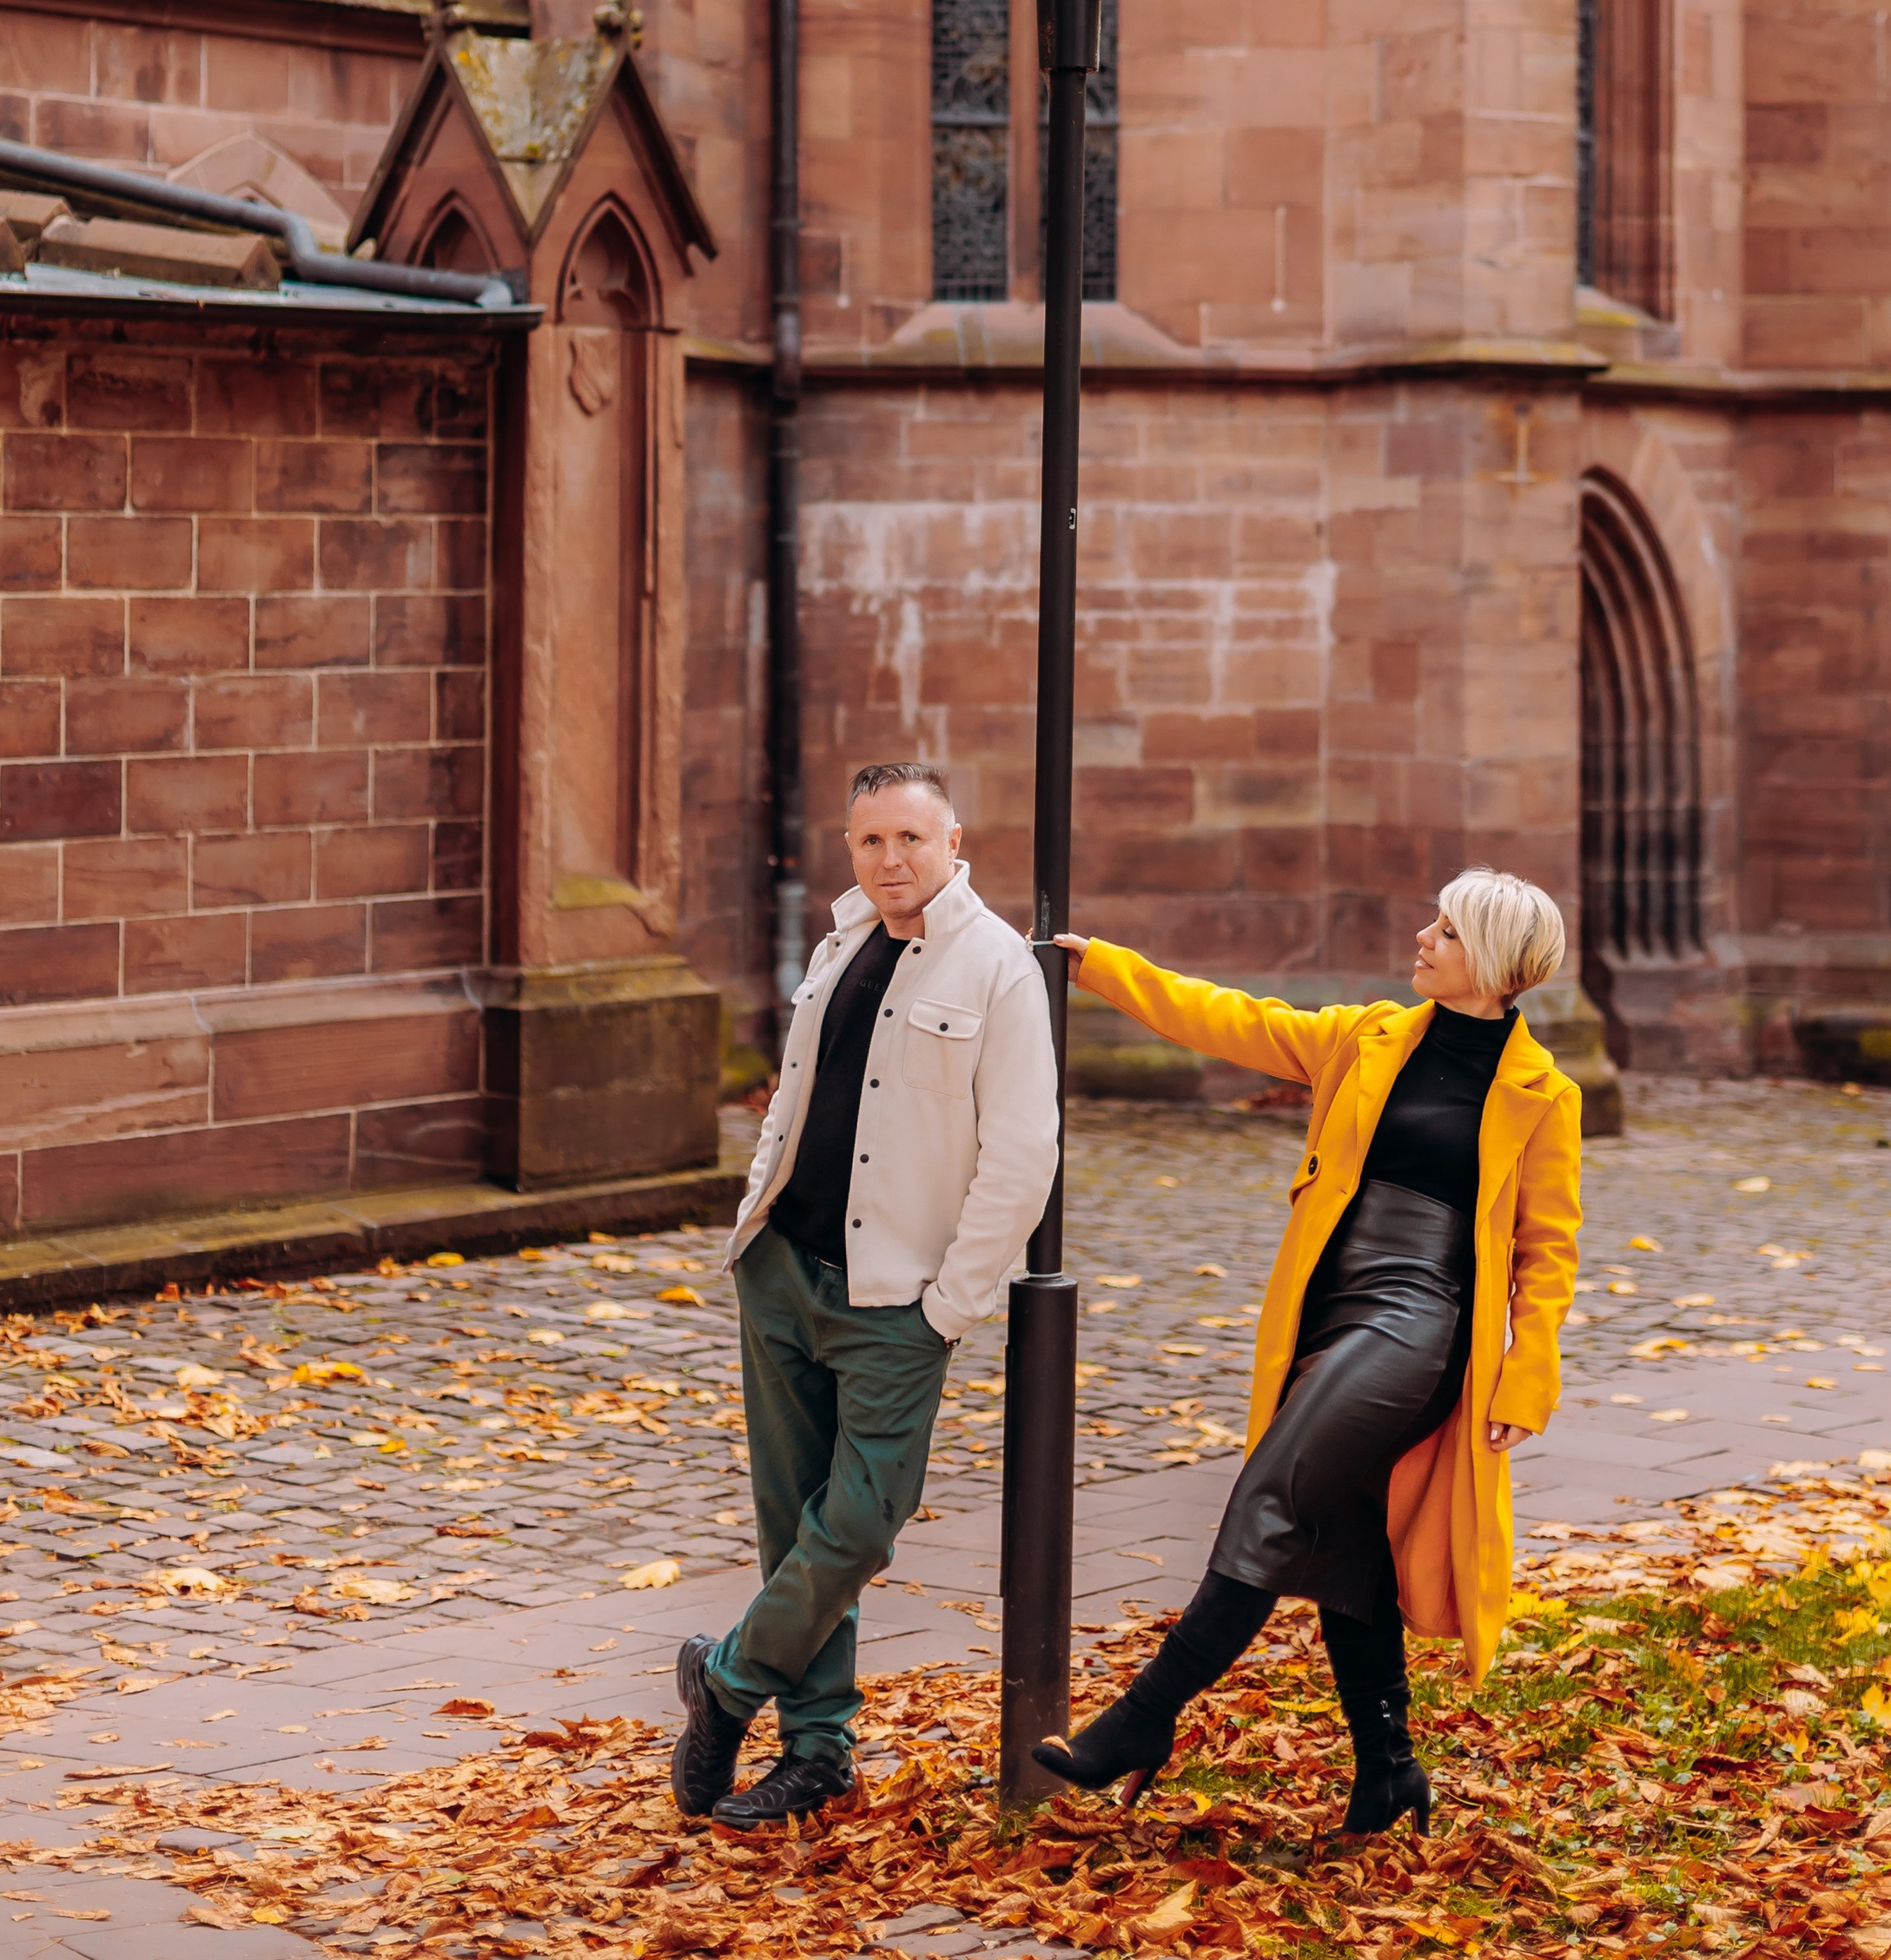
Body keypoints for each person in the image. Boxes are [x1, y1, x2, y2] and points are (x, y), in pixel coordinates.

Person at [1033, 868, 1581, 1835]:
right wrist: (1104, 969)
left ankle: (1143, 1718)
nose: (1422, 936)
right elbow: (1234, 1019)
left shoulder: (1543, 1094)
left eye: (1445, 931)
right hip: (1328, 1309)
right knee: (1342, 1537)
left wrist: (1524, 1376)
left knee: (1273, 1494)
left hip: (1421, 1321)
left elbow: (1548, 1251)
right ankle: (1389, 1770)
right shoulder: (1366, 1036)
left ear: (1492, 962)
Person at [672, 761, 1057, 1828]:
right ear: (852, 849)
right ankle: (817, 1751)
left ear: (953, 841)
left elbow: (1023, 1155)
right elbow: (792, 1103)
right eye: (871, 841)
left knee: (860, 1523)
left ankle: (728, 1681)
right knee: (793, 1521)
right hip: (783, 1271)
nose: (892, 860)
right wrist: (753, 1219)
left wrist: (949, 1304)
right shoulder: (842, 944)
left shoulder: (996, 969)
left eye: (911, 840)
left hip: (896, 1297)